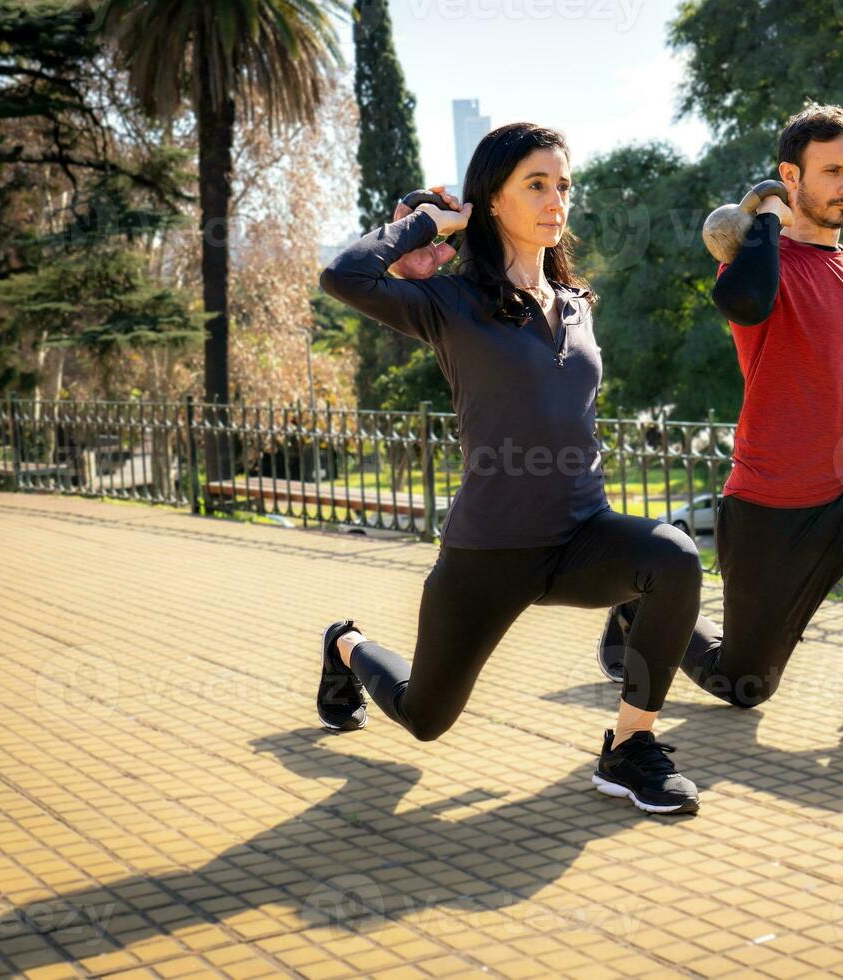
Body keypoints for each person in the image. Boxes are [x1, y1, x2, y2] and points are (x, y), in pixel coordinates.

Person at [318, 122, 701, 814]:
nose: (557, 200)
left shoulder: (580, 307)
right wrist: (430, 225)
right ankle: (347, 647)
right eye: (536, 185)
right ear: (492, 200)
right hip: (489, 553)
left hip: (581, 537)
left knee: (671, 557)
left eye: (563, 186)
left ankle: (630, 746)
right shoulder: (452, 305)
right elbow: (342, 276)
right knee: (426, 717)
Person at [597, 104, 843, 739]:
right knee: (743, 684)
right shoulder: (759, 262)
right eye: (832, 170)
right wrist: (768, 221)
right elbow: (743, 303)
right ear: (791, 174)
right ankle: (635, 610)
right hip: (771, 510)